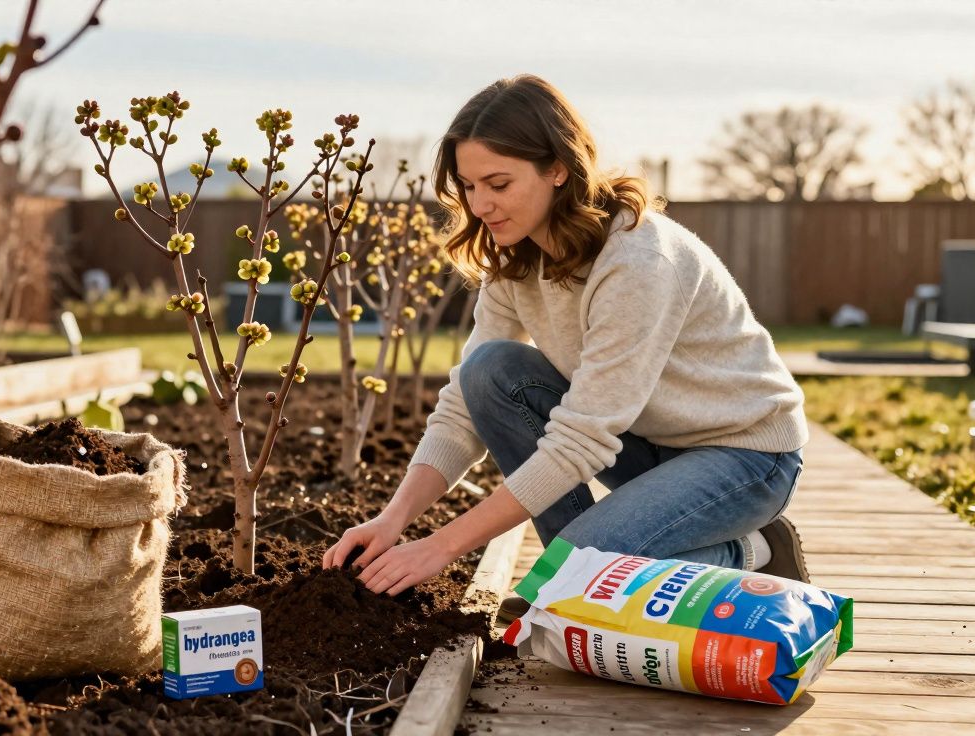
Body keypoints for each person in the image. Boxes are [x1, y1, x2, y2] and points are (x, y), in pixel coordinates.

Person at [321, 75, 809, 620]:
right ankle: (568, 568)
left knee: (567, 587)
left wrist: (442, 546)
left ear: (557, 168)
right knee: (489, 370)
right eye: (469, 185)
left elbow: (580, 439)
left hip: (742, 454)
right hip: (645, 445)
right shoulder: (516, 255)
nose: (480, 204)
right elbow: (464, 405)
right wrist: (392, 522)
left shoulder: (638, 262)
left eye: (499, 184)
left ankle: (753, 549)